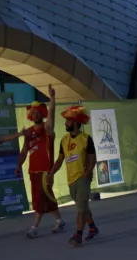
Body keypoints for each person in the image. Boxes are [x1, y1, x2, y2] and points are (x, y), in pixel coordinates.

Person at [14, 86, 66, 238]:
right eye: (33, 112)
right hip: (33, 171)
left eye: (38, 112)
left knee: (40, 198)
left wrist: (52, 99)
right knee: (46, 197)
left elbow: (52, 119)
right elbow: (24, 151)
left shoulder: (47, 129)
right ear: (30, 115)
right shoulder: (29, 132)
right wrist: (18, 165)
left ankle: (34, 227)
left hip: (46, 170)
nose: (35, 114)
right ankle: (59, 220)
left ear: (42, 114)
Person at [51, 105, 99, 246]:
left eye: (68, 121)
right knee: (83, 207)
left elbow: (92, 158)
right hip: (70, 180)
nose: (65, 123)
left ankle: (78, 234)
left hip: (82, 179)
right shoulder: (64, 140)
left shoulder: (85, 139)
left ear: (76, 122)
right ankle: (92, 228)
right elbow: (60, 160)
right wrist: (51, 173)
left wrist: (87, 173)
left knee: (80, 209)